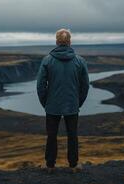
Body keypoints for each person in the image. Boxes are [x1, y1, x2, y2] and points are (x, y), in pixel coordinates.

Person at [36, 29, 89, 171]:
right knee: (72, 135)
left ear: (56, 41)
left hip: (52, 105)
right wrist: (78, 102)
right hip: (72, 105)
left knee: (51, 136)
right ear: (70, 42)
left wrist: (45, 103)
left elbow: (40, 85)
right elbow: (85, 86)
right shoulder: (80, 61)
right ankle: (73, 165)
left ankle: (50, 165)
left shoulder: (47, 60)